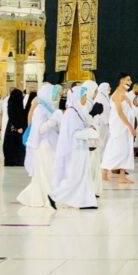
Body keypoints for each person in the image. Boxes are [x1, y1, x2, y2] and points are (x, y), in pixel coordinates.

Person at [53, 81, 100, 209]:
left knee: (84, 176)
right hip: (75, 150)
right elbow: (75, 134)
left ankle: (87, 202)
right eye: (84, 96)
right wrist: (90, 132)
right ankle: (54, 196)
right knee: (76, 177)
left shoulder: (78, 110)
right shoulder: (71, 113)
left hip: (81, 148)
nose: (86, 98)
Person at [18, 83, 62, 207]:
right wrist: (53, 121)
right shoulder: (40, 109)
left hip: (50, 144)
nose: (57, 97)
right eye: (55, 94)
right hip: (43, 145)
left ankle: (51, 195)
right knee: (46, 171)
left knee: (49, 171)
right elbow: (40, 129)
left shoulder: (49, 108)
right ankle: (47, 196)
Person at [101, 73, 137, 184]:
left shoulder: (124, 93)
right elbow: (120, 113)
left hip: (125, 128)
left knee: (125, 150)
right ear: (121, 80)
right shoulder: (117, 94)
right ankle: (104, 170)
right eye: (128, 80)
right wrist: (131, 127)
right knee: (115, 149)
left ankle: (122, 175)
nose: (130, 82)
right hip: (120, 128)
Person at [2, 87, 27, 167]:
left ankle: (18, 161)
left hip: (17, 127)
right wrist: (18, 127)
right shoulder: (12, 103)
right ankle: (12, 161)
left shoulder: (17, 103)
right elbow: (12, 116)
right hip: (14, 127)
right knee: (12, 143)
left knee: (17, 144)